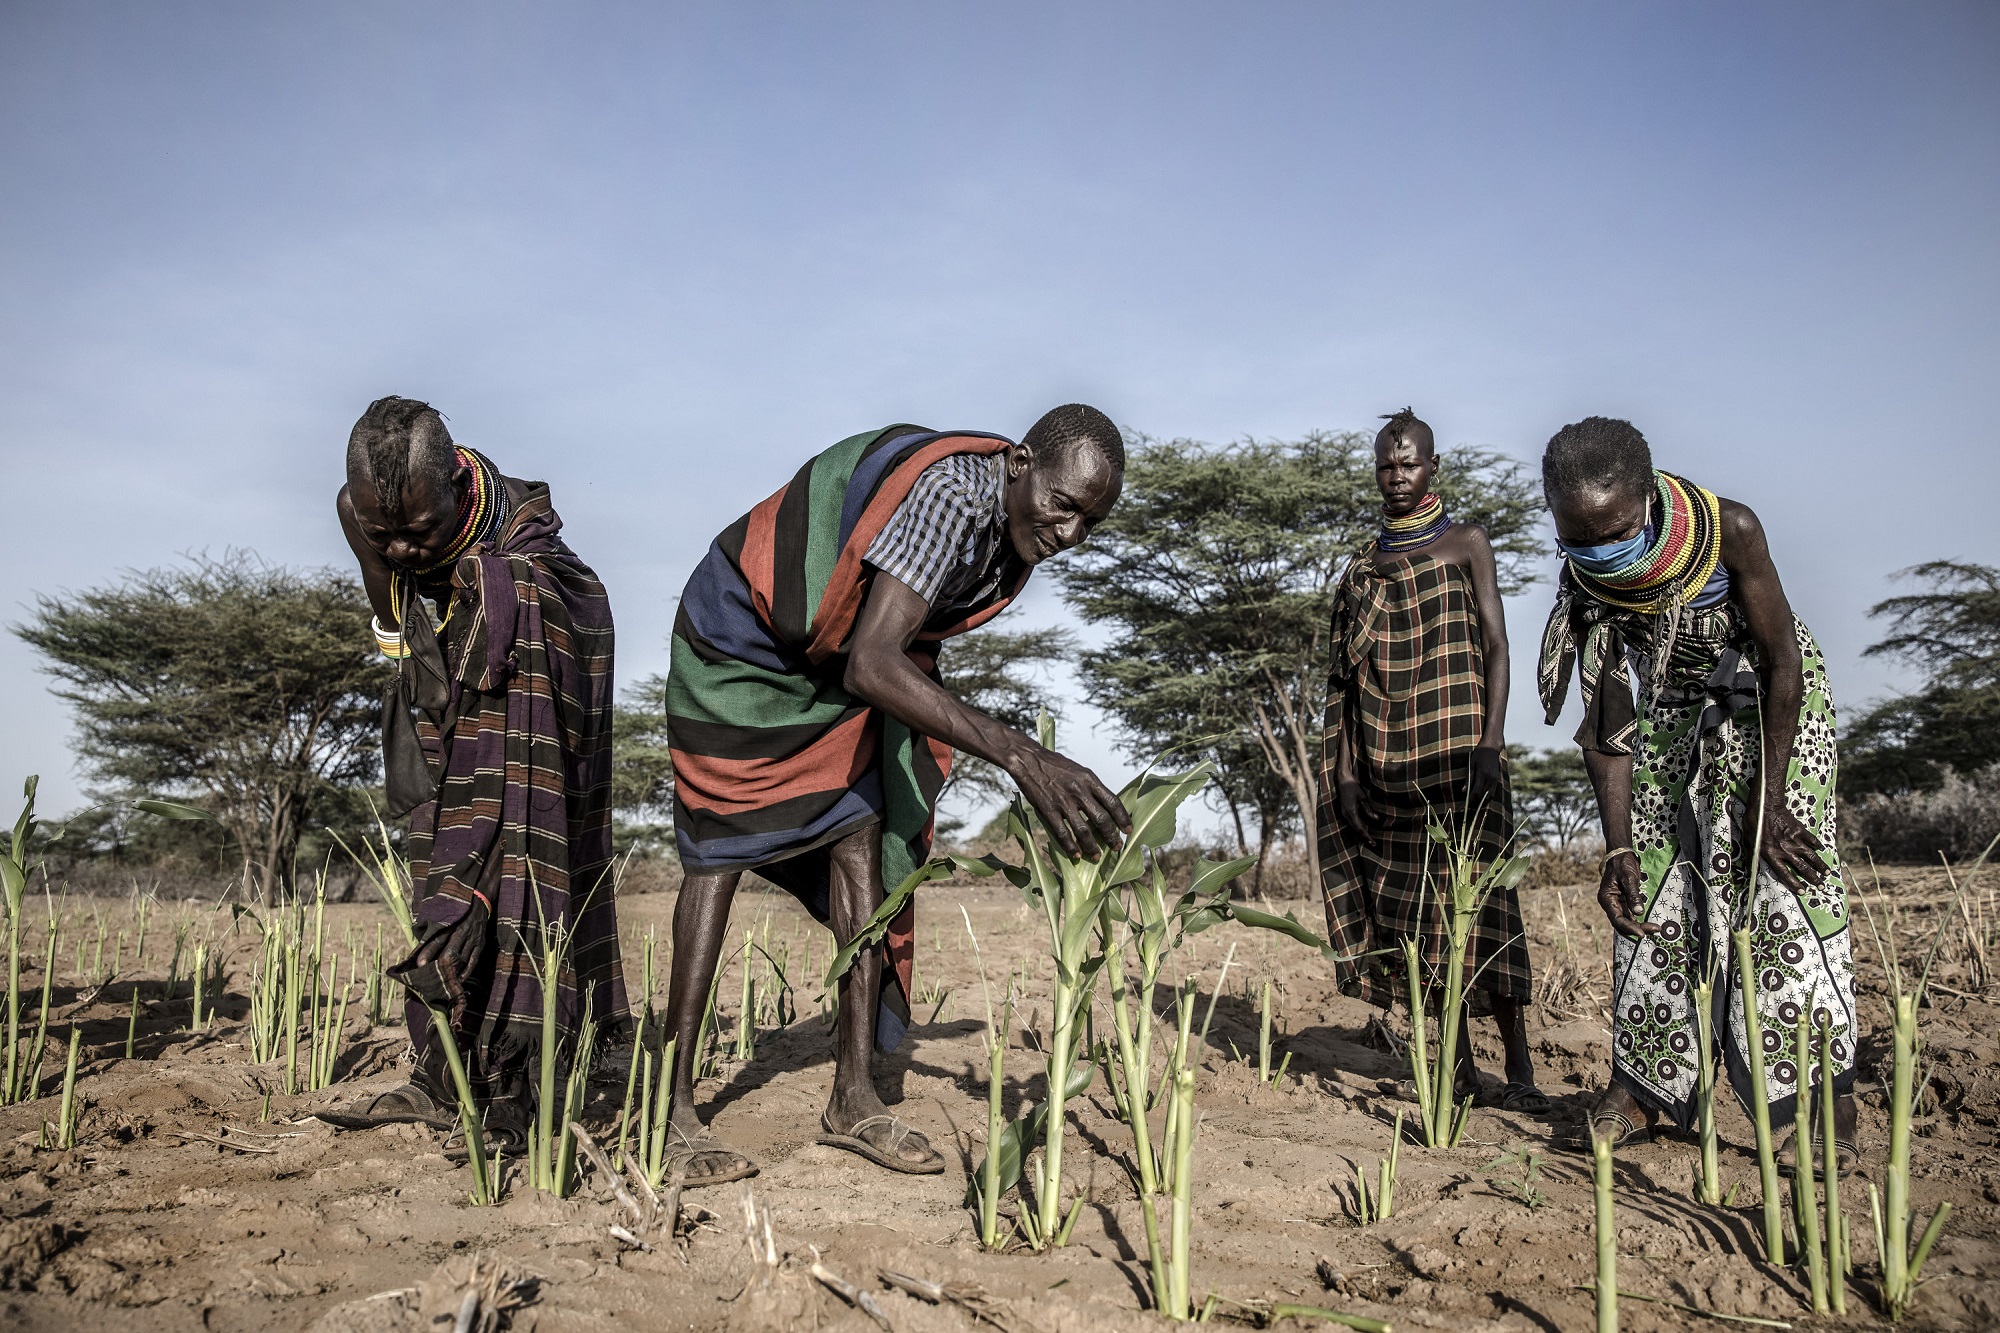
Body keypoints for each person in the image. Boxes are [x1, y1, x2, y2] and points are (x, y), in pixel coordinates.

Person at [662, 407, 1129, 1183]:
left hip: (831, 656)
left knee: (863, 840)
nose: (1071, 533)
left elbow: (878, 646)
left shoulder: (1007, 537)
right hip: (744, 637)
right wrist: (1022, 756)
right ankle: (670, 1107)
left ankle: (853, 1095)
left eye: (1091, 521)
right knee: (718, 849)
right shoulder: (951, 495)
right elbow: (876, 663)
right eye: (1063, 503)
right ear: (1019, 463)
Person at [1538, 416, 1856, 1164]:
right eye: (1578, 536)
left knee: (1781, 871)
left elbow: (1783, 663)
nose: (1600, 551)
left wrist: (1772, 803)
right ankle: (1647, 1083)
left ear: (1648, 498)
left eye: (1614, 530)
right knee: (1649, 879)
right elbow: (1608, 720)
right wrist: (1616, 845)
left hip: (1772, 700)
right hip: (1674, 701)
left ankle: (1820, 1092)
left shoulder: (1729, 530)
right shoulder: (1585, 574)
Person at [323, 396, 623, 1148]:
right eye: (380, 532)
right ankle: (442, 1072)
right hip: (442, 691)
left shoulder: (520, 536)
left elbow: (581, 604)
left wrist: (502, 595)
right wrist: (433, 705)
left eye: (419, 533)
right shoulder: (359, 516)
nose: (398, 550)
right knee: (445, 871)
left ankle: (523, 1085)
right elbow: (395, 625)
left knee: (525, 866)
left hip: (525, 700)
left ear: (459, 484)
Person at [1318, 409, 1547, 1112]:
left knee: (1487, 907)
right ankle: (1459, 1069)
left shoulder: (1466, 543)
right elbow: (1345, 682)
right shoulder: (1361, 568)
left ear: (1433, 468)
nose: (1397, 476)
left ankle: (1521, 1071)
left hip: (1461, 756)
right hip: (1388, 766)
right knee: (1417, 927)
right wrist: (1349, 775)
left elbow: (1499, 646)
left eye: (1409, 463)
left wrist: (1491, 740)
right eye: (1386, 465)